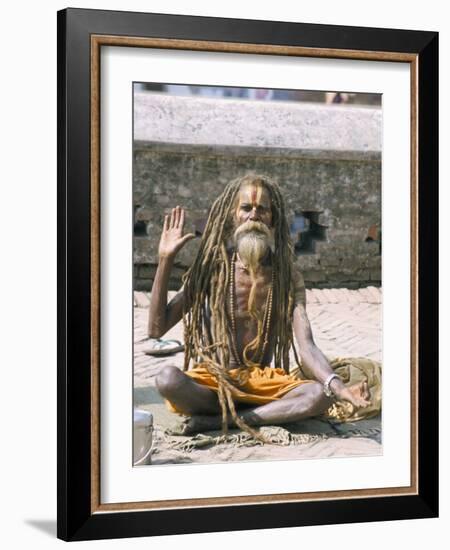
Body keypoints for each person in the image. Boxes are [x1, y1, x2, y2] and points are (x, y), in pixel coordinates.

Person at [148, 174, 373, 439]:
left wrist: (338, 387)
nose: (254, 215)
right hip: (214, 383)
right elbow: (156, 329)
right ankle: (252, 416)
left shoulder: (287, 278)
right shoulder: (210, 270)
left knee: (319, 395)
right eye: (246, 208)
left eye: (262, 209)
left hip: (264, 385)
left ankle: (221, 422)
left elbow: (307, 347)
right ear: (233, 216)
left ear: (272, 219)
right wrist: (165, 260)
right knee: (168, 380)